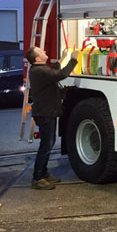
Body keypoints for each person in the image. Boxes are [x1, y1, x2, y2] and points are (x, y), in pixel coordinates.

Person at [25, 46, 78, 190]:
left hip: (45, 112)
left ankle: (43, 173)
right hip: (45, 113)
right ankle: (37, 178)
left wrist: (62, 58)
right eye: (42, 52)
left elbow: (52, 71)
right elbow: (61, 74)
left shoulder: (38, 70)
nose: (45, 51)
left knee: (48, 143)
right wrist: (73, 59)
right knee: (46, 145)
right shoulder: (40, 71)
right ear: (37, 59)